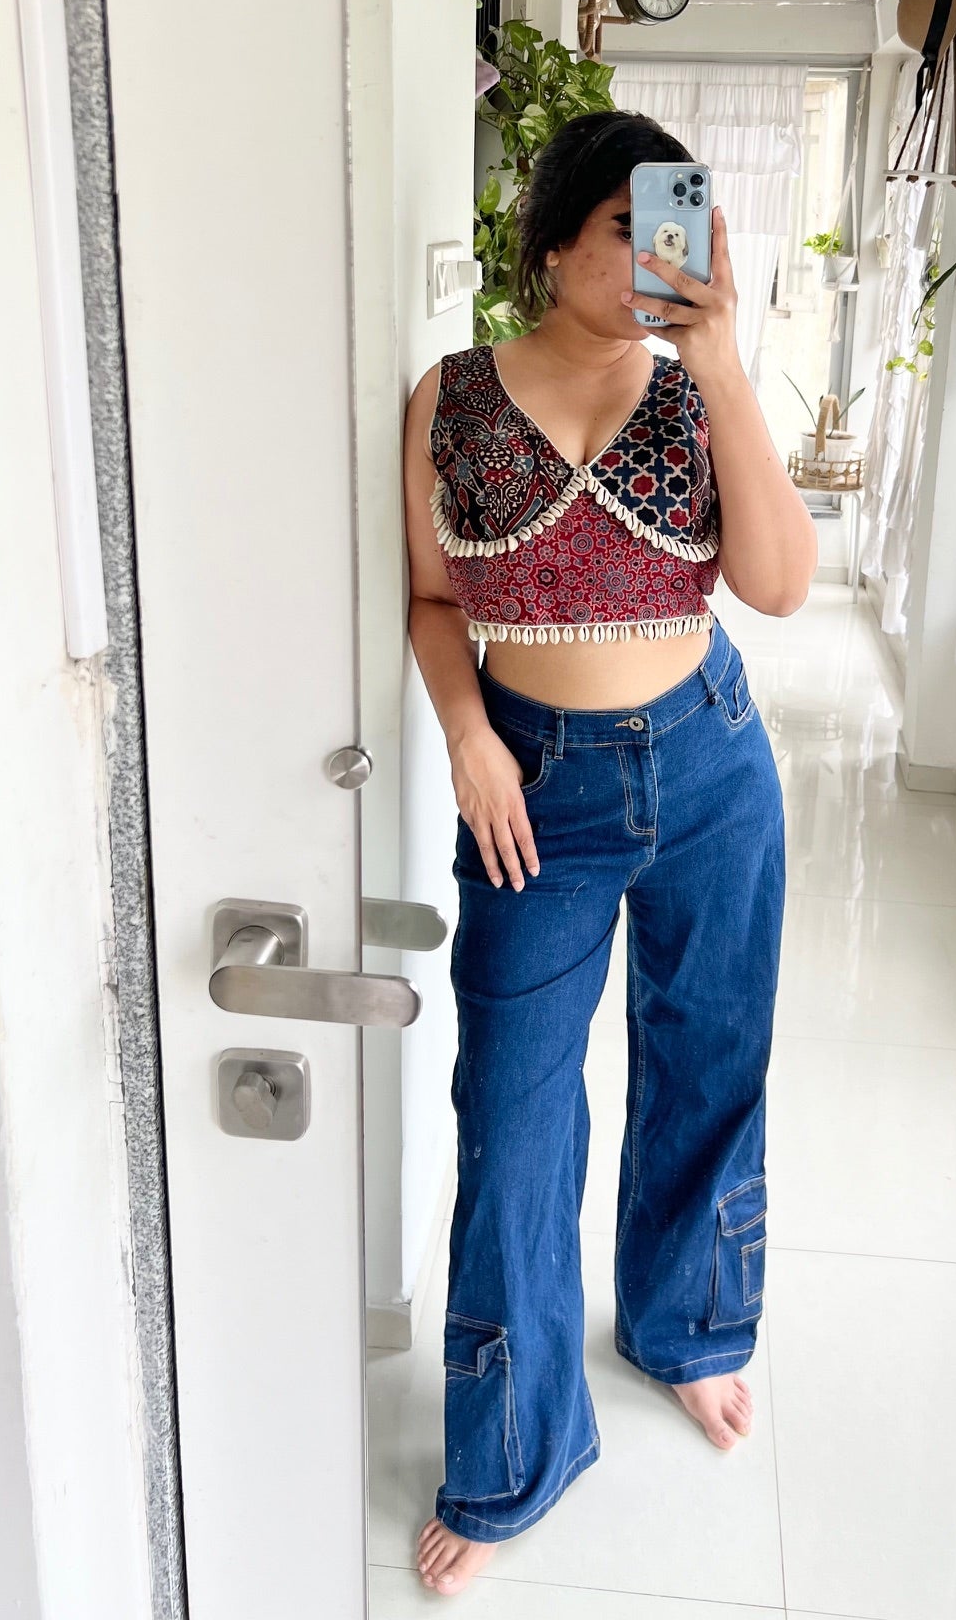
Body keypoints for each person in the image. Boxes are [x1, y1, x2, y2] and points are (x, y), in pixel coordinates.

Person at [401, 110, 817, 1596]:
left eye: (679, 227)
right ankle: (517, 1445)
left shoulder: (700, 387)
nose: (660, 259)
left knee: (707, 1059)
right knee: (512, 1111)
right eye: (630, 231)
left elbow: (778, 586)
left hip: (709, 759)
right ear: (558, 237)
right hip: (535, 786)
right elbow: (434, 599)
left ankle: (685, 1329)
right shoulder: (452, 398)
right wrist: (467, 738)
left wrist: (724, 361)